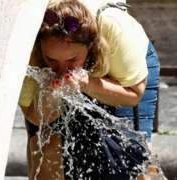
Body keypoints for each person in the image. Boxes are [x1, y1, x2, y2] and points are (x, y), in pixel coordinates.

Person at [18, 0, 160, 179]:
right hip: (50, 52)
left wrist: (88, 84)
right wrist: (50, 95)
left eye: (71, 60)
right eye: (52, 60)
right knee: (46, 149)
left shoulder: (113, 29)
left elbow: (133, 95)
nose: (61, 70)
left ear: (90, 47)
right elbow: (36, 116)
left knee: (129, 158)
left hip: (124, 75)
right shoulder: (27, 44)